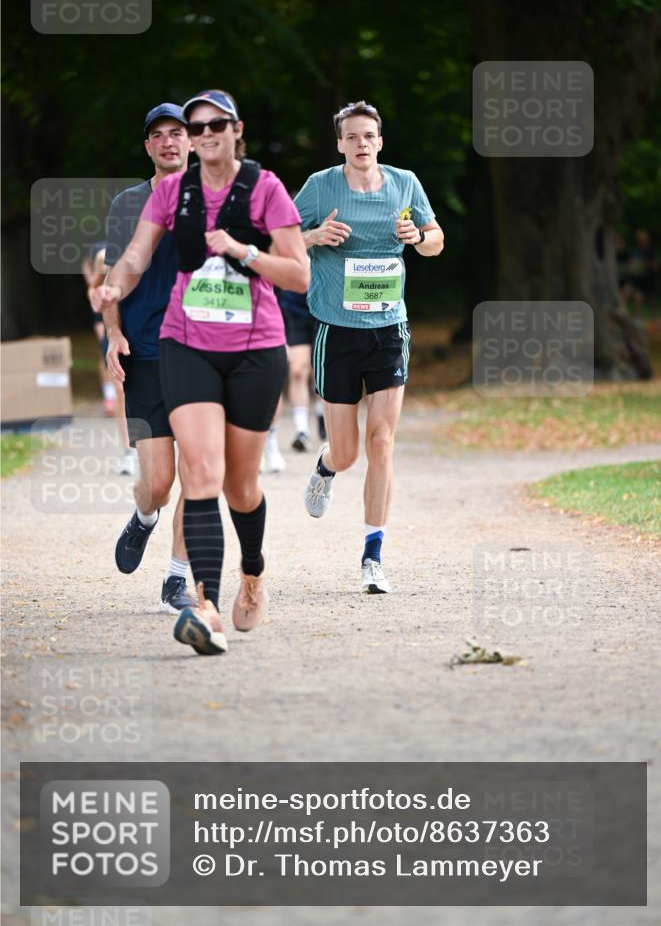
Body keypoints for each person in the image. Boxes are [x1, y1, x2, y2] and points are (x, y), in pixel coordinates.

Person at [93, 89, 309, 656]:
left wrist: (244, 251)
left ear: (235, 129)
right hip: (174, 345)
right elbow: (133, 257)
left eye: (214, 125)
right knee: (192, 476)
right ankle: (203, 604)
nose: (200, 134)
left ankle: (251, 573)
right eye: (193, 126)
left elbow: (298, 274)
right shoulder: (166, 193)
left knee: (238, 485)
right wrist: (114, 293)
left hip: (250, 348)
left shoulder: (264, 189)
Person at [295, 100, 443, 594]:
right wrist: (314, 235)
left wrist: (418, 235)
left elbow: (436, 241)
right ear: (340, 143)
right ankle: (325, 467)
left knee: (382, 441)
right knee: (348, 451)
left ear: (380, 141)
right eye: (353, 137)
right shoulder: (320, 186)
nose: (362, 144)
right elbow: (279, 240)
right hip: (336, 330)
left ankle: (372, 557)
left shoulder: (404, 182)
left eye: (370, 136)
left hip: (388, 328)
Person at [96, 103, 193, 613]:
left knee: (200, 473)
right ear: (148, 147)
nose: (169, 142)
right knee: (158, 483)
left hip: (202, 352)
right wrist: (112, 334)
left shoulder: (215, 198)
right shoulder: (128, 203)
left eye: (177, 133)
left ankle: (176, 580)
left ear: (193, 141)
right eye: (158, 135)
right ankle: (145, 516)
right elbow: (114, 275)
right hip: (146, 352)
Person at [82, 242, 136, 475]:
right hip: (115, 329)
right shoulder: (104, 258)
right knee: (121, 391)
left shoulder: (144, 249)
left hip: (141, 326)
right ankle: (129, 452)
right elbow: (93, 290)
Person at [262, 289, 327, 473]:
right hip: (294, 311)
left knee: (322, 368)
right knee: (298, 370)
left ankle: (323, 416)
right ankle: (302, 431)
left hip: (325, 310)